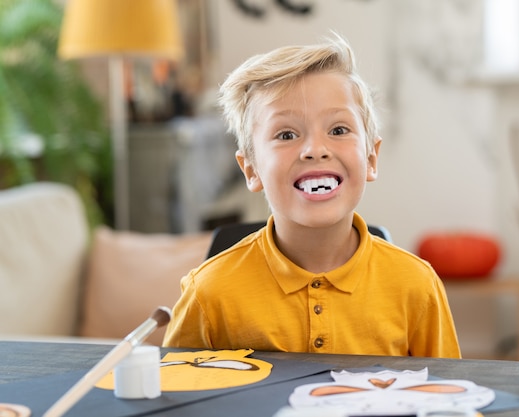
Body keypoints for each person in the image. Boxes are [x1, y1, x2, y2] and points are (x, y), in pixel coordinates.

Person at [163, 33, 461, 358]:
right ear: (251, 169)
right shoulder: (208, 294)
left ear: (371, 158)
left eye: (338, 130)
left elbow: (449, 402)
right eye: (286, 134)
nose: (315, 150)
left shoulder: (418, 287)